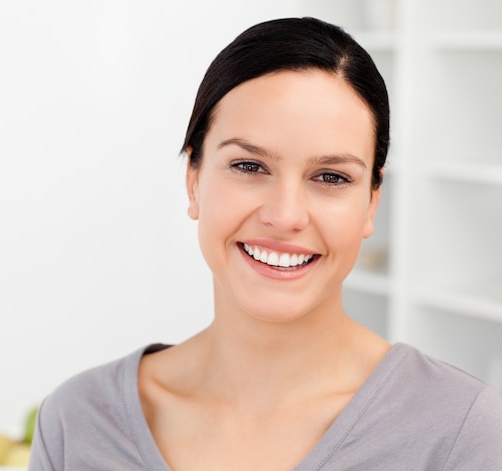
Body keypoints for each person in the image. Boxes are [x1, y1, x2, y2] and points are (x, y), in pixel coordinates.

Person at [28, 17, 502, 470]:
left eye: (331, 177)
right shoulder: (77, 421)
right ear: (193, 179)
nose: (286, 215)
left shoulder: (462, 432)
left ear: (372, 202)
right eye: (249, 167)